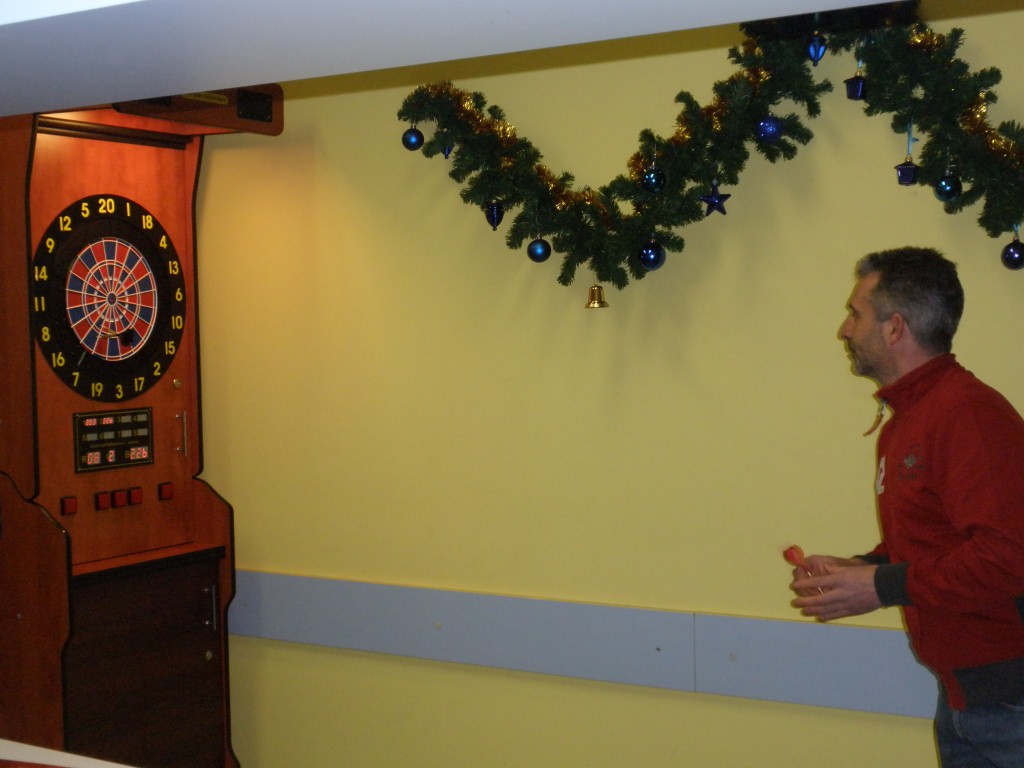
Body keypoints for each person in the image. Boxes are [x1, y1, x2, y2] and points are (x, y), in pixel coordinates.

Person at [790, 246, 1024, 767]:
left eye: (855, 314)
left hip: (1011, 704)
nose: (845, 330)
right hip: (965, 698)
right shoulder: (909, 419)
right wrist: (863, 569)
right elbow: (939, 539)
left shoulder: (967, 413)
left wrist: (882, 584)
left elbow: (1009, 555)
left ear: (895, 327)